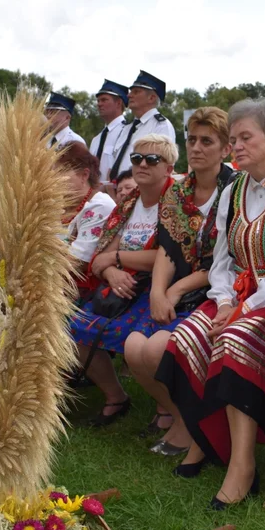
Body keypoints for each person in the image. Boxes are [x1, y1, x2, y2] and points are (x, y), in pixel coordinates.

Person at [156, 98, 265, 509]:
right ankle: (207, 439)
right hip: (239, 295)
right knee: (186, 338)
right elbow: (224, 260)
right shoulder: (235, 189)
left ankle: (243, 465)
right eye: (234, 140)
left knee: (233, 341)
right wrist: (226, 298)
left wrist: (247, 307)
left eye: (245, 138)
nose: (237, 147)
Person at [125, 108, 236, 456]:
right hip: (179, 288)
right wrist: (158, 291)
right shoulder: (177, 192)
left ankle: (190, 426)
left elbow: (225, 260)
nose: (197, 148)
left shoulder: (236, 189)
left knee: (158, 347)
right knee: (133, 347)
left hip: (220, 289)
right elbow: (167, 251)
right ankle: (179, 416)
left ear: (225, 149)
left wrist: (173, 290)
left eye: (208, 141)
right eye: (192, 140)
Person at [71, 134, 180, 426]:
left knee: (141, 342)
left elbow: (169, 255)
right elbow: (101, 257)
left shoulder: (176, 202)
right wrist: (111, 270)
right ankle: (115, 396)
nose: (142, 164)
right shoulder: (128, 204)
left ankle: (166, 407)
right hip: (121, 287)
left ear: (168, 167)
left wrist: (118, 260)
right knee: (73, 327)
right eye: (136, 158)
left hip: (161, 287)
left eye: (152, 159)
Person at [59, 142, 116, 292]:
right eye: (52, 172)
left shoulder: (99, 205)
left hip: (81, 292)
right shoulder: (57, 206)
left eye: (62, 171)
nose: (54, 178)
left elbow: (77, 262)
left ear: (84, 175)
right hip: (54, 286)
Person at [108, 70, 178, 184]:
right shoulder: (127, 128)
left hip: (142, 192)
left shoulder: (161, 125)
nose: (129, 95)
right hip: (119, 192)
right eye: (131, 92)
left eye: (136, 92)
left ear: (151, 98)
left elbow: (163, 166)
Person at [90, 79, 131, 184]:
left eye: (104, 100)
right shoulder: (96, 139)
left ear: (118, 103)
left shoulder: (128, 133)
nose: (99, 104)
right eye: (98, 101)